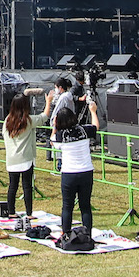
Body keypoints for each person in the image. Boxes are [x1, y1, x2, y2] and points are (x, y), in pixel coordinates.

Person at [53, 100, 100, 236]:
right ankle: (87, 234)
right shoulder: (84, 130)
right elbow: (95, 126)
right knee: (85, 206)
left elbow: (52, 140)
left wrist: (55, 125)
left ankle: (66, 234)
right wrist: (93, 111)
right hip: (86, 171)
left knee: (67, 206)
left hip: (69, 173)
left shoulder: (60, 135)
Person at [2, 91, 39, 224]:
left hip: (12, 158)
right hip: (25, 159)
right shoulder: (28, 120)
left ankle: (11, 212)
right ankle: (29, 213)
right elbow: (44, 117)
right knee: (27, 186)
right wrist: (49, 101)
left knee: (13, 186)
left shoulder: (7, 120)